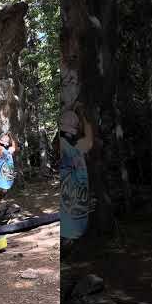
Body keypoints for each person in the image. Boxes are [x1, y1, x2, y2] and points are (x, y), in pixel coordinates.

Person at [60, 102, 93, 240]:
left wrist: (68, 108)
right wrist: (84, 117)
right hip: (80, 225)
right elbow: (89, 138)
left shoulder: (63, 145)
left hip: (67, 226)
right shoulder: (80, 149)